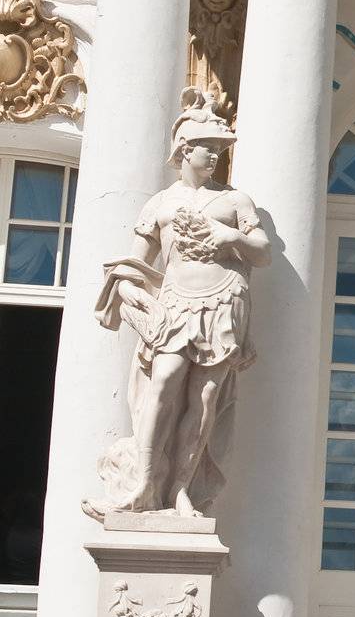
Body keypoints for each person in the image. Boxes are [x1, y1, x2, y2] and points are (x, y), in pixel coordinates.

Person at [83, 89, 270, 521]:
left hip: (222, 304)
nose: (217, 157)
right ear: (186, 149)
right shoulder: (161, 202)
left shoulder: (235, 200)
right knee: (164, 382)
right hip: (176, 306)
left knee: (204, 399)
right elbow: (135, 259)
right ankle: (146, 484)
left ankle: (182, 489)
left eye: (221, 150)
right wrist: (128, 290)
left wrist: (232, 237)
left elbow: (262, 252)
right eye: (210, 148)